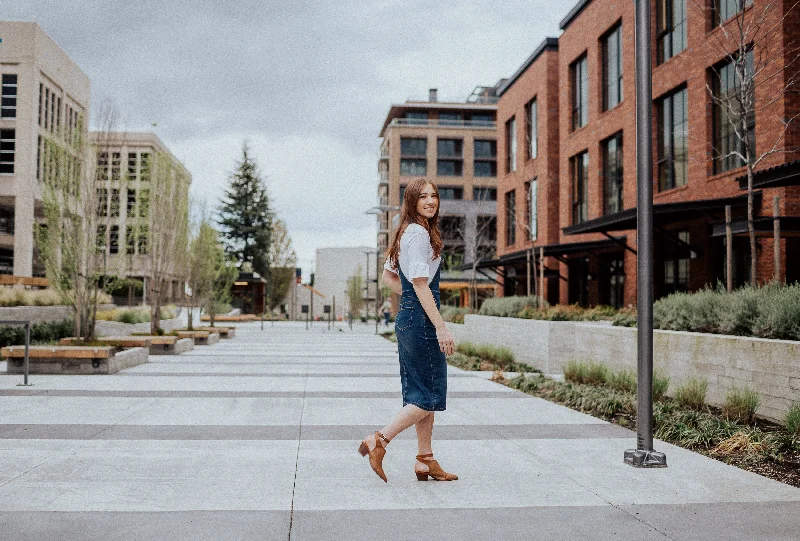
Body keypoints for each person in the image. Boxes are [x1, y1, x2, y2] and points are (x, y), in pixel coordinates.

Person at [358, 178, 457, 483]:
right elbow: (419, 283)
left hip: (409, 318)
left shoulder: (409, 232)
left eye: (434, 196)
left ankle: (425, 460)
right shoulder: (417, 234)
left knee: (420, 392)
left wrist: (413, 299)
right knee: (429, 394)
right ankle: (380, 440)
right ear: (412, 201)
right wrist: (440, 326)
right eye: (423, 196)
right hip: (422, 322)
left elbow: (388, 277)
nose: (430, 201)